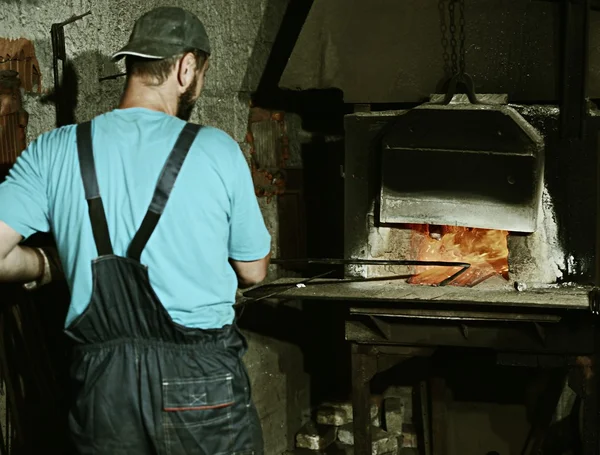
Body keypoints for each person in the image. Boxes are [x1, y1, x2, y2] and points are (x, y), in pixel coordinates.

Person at [0, 6, 271, 454]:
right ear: (186, 68)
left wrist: (48, 262)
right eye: (200, 71)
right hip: (199, 382)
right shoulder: (217, 149)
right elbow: (254, 271)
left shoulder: (53, 150)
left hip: (103, 389)